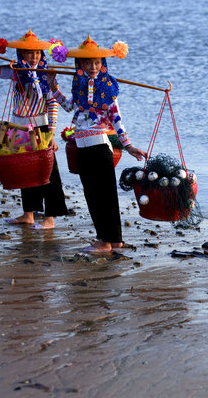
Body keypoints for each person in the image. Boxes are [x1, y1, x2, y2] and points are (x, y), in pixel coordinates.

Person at [48, 35, 146, 253]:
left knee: (104, 196)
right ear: (80, 64)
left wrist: (128, 145)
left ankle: (106, 241)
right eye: (88, 63)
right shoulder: (79, 87)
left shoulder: (108, 88)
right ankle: (113, 240)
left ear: (103, 64)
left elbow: (116, 118)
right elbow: (67, 106)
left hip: (99, 147)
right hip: (82, 148)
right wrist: (53, 86)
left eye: (97, 63)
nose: (93, 67)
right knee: (92, 195)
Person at [0, 30, 67, 229]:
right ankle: (29, 214)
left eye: (37, 53)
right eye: (29, 53)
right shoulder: (15, 70)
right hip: (20, 126)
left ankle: (50, 217)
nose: (34, 57)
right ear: (21, 54)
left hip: (40, 126)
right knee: (24, 169)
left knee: (49, 172)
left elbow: (53, 104)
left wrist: (51, 133)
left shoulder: (46, 74)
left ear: (41, 55)